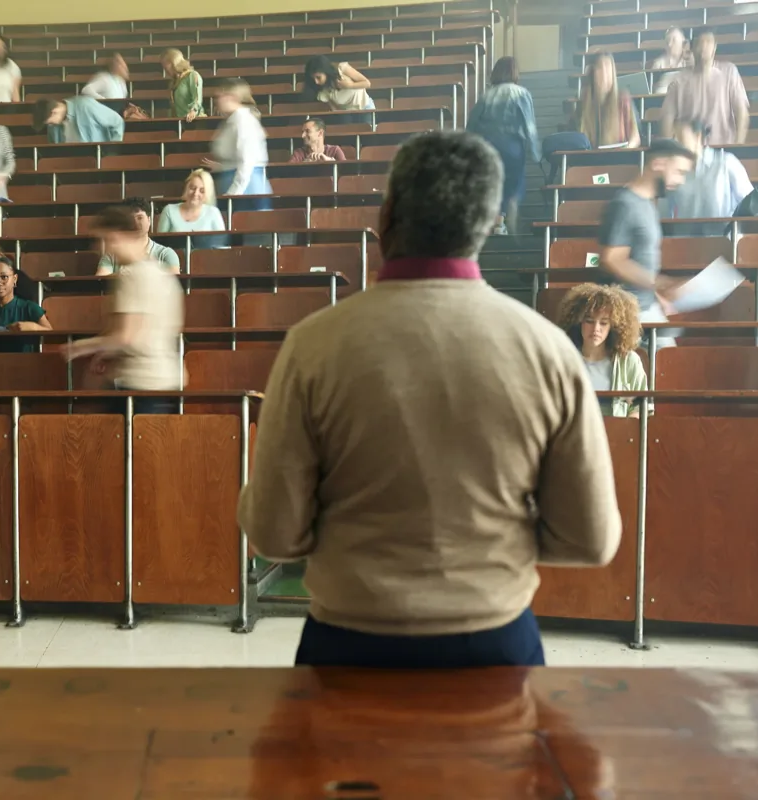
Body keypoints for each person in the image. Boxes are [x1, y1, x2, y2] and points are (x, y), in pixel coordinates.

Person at [237, 131, 622, 670]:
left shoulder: (314, 345)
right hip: (495, 642)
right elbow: (592, 538)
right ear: (489, 224)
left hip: (348, 644)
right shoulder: (548, 352)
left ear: (386, 215)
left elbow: (275, 531)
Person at [65, 205, 184, 415]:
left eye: (108, 240)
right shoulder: (161, 274)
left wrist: (80, 347)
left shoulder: (133, 276)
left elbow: (126, 337)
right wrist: (104, 352)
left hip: (141, 384)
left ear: (124, 235)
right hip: (164, 381)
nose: (103, 249)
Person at [598, 138, 697, 350]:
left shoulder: (648, 204)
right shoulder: (625, 204)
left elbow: (638, 260)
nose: (680, 180)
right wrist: (660, 283)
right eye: (679, 171)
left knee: (669, 367)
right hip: (628, 314)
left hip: (646, 306)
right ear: (658, 164)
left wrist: (657, 295)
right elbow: (612, 259)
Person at [467, 57, 539, 235]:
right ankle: (505, 215)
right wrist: (536, 152)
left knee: (492, 182)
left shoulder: (486, 96)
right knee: (514, 182)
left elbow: (472, 125)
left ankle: (493, 219)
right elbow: (528, 125)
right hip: (512, 146)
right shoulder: (522, 93)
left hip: (487, 146)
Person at [557, 283, 648, 418]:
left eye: (604, 323)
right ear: (578, 322)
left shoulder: (629, 361)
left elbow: (641, 408)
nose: (596, 329)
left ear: (614, 326)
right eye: (589, 321)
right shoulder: (563, 359)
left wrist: (625, 431)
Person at [661, 118, 753, 235]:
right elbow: (663, 217)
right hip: (685, 246)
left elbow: (751, 205)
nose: (674, 141)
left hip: (724, 244)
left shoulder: (726, 163)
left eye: (679, 136)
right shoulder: (672, 171)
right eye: (673, 137)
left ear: (698, 136)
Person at [661, 27, 749, 146]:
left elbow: (741, 111)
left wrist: (738, 144)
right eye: (699, 43)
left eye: (708, 42)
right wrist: (671, 151)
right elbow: (667, 118)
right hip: (689, 150)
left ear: (715, 47)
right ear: (691, 48)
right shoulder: (678, 81)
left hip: (724, 148)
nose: (703, 47)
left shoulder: (729, 72)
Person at [204, 79, 272, 211]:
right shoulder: (231, 121)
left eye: (220, 96)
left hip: (247, 189)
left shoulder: (243, 121)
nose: (217, 101)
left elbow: (247, 162)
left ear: (231, 97)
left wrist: (234, 194)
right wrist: (223, 167)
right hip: (236, 184)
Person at [97, 197, 180, 274]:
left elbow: (174, 282)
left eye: (140, 217)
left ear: (149, 220)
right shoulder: (111, 256)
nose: (135, 223)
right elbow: (102, 282)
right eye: (130, 218)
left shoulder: (166, 254)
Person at [575, 52, 640, 149]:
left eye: (608, 68)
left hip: (620, 158)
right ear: (593, 73)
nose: (605, 74)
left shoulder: (623, 99)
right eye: (600, 68)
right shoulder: (583, 102)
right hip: (591, 159)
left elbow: (635, 138)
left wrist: (626, 149)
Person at [33, 96, 124, 143]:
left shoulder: (85, 106)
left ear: (54, 112)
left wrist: (111, 152)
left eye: (50, 122)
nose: (50, 125)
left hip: (97, 160)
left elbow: (117, 121)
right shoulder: (52, 125)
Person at [157, 170, 225, 233]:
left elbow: (222, 245)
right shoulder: (169, 210)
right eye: (192, 188)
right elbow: (159, 244)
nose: (195, 193)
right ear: (186, 188)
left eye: (202, 191)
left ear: (207, 194)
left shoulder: (214, 213)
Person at [303, 55, 374, 111]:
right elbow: (335, 109)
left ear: (326, 72)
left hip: (365, 107)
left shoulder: (342, 69)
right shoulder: (322, 91)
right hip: (348, 114)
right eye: (313, 79)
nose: (316, 82)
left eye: (318, 77)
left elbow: (367, 83)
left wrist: (350, 85)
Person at [161, 49, 204, 121]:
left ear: (174, 62)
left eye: (166, 63)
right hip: (180, 121)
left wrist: (193, 112)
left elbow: (197, 98)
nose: (165, 68)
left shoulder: (192, 75)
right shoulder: (174, 82)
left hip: (194, 121)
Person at [651, 27, 692, 94]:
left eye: (674, 40)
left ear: (683, 42)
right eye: (667, 41)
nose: (669, 45)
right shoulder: (658, 63)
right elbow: (653, 88)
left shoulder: (690, 61)